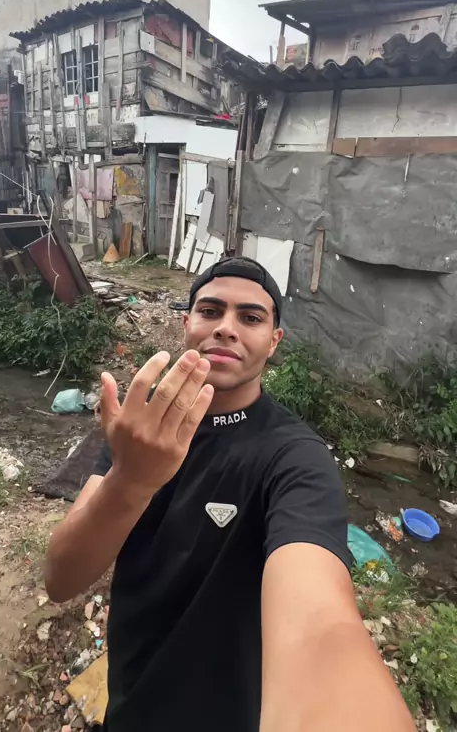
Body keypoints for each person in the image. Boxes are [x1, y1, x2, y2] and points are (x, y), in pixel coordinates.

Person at [45, 257, 415, 732]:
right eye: (210, 311)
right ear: (186, 323)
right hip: (130, 702)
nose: (226, 328)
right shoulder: (139, 433)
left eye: (251, 317)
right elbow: (60, 579)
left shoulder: (295, 458)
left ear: (274, 341)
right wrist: (130, 480)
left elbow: (321, 621)